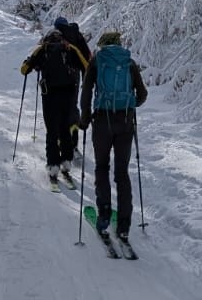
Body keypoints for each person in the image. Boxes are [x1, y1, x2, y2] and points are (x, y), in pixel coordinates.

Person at [80, 29, 148, 239]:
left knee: (102, 167)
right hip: (125, 122)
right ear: (119, 43)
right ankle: (124, 225)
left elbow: (86, 92)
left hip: (102, 121)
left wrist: (85, 118)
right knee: (122, 172)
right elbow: (142, 94)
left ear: (102, 44)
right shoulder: (129, 62)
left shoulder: (97, 61)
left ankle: (104, 216)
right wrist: (129, 105)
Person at [21, 25, 87, 185]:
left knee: (52, 131)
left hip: (49, 96)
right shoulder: (69, 48)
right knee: (65, 129)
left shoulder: (42, 49)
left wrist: (31, 64)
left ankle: (53, 166)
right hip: (68, 96)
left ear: (48, 38)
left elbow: (24, 70)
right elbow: (86, 66)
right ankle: (66, 162)